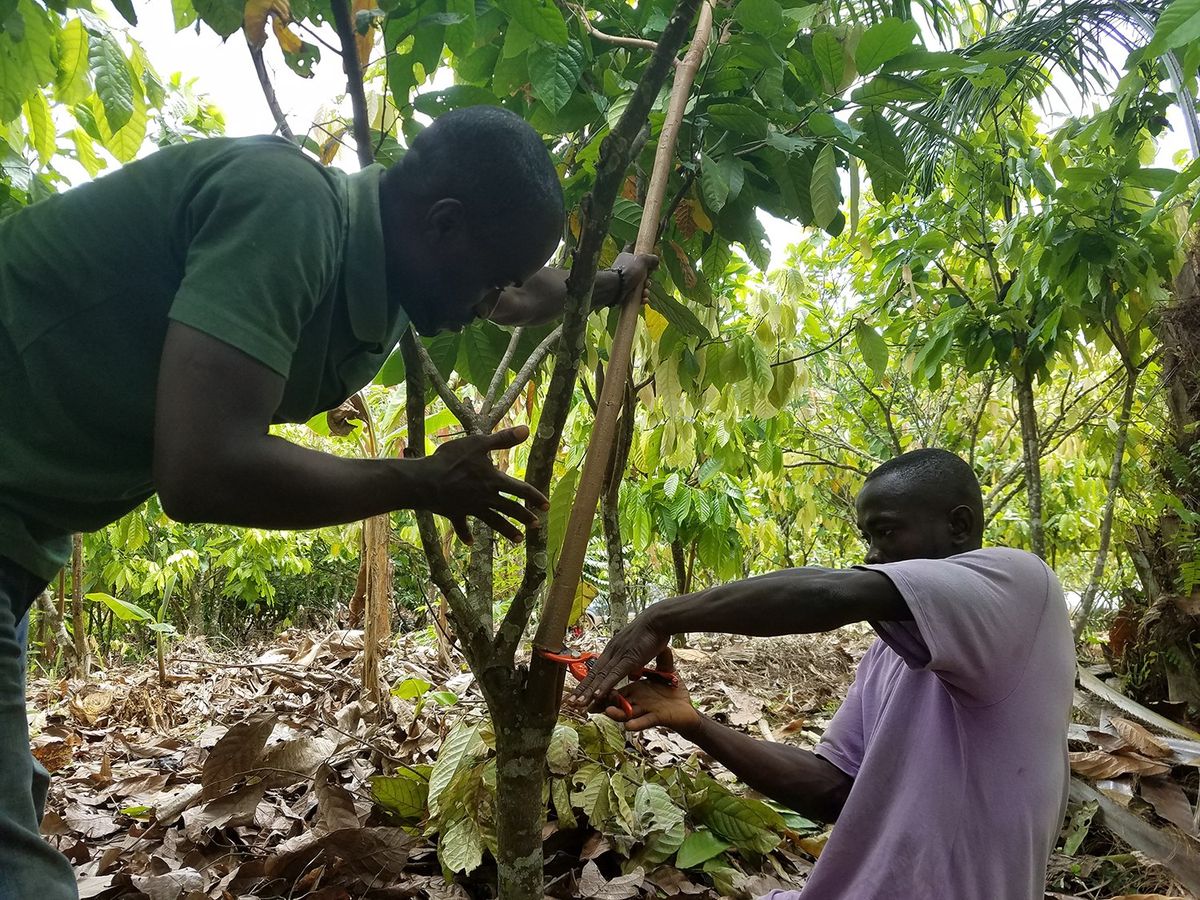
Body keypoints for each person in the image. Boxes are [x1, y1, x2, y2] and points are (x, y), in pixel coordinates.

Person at [0, 106, 654, 899]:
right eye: (491, 274)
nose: (494, 299)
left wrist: (613, 283)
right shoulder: (291, 212)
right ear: (445, 224)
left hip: (23, 532)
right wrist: (418, 478)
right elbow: (202, 468)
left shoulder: (394, 273)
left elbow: (522, 295)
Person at [570, 449, 1074, 900]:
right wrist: (694, 723)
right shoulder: (890, 653)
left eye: (888, 531)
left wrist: (663, 616)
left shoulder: (1023, 585)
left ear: (960, 526)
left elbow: (832, 593)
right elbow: (834, 789)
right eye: (868, 536)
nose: (873, 553)